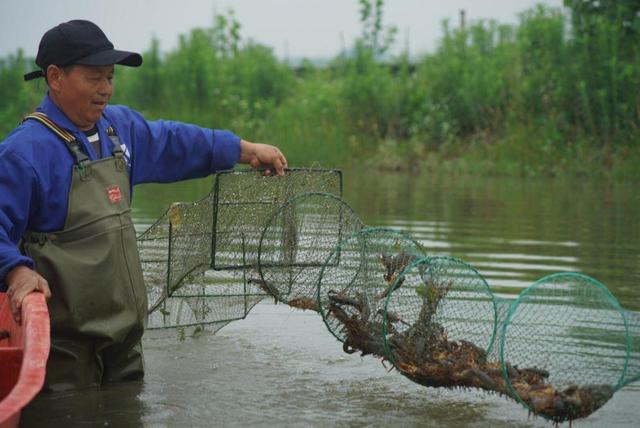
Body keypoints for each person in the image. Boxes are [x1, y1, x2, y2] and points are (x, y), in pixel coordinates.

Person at [0, 19, 288, 392]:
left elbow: (174, 141)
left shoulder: (117, 130)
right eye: (94, 78)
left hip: (124, 344)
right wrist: (15, 272)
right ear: (55, 77)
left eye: (110, 77)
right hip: (62, 354)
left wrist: (244, 150)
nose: (105, 89)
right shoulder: (24, 152)